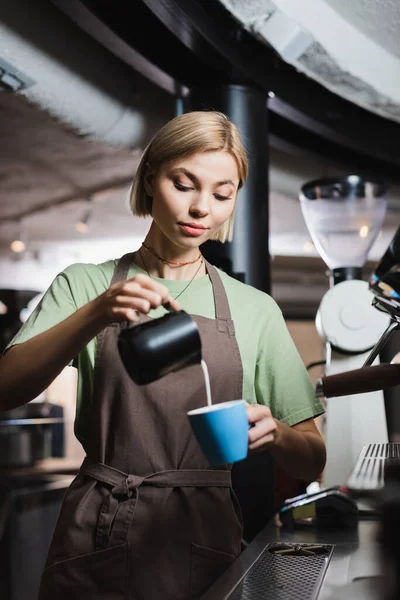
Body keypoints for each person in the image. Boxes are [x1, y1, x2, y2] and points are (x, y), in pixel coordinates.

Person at [0, 110, 326, 599]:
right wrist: (95, 314)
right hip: (100, 525)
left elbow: (312, 459)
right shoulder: (85, 285)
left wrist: (276, 433)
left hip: (202, 531)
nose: (201, 209)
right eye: (184, 183)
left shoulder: (253, 309)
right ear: (151, 176)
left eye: (222, 194)